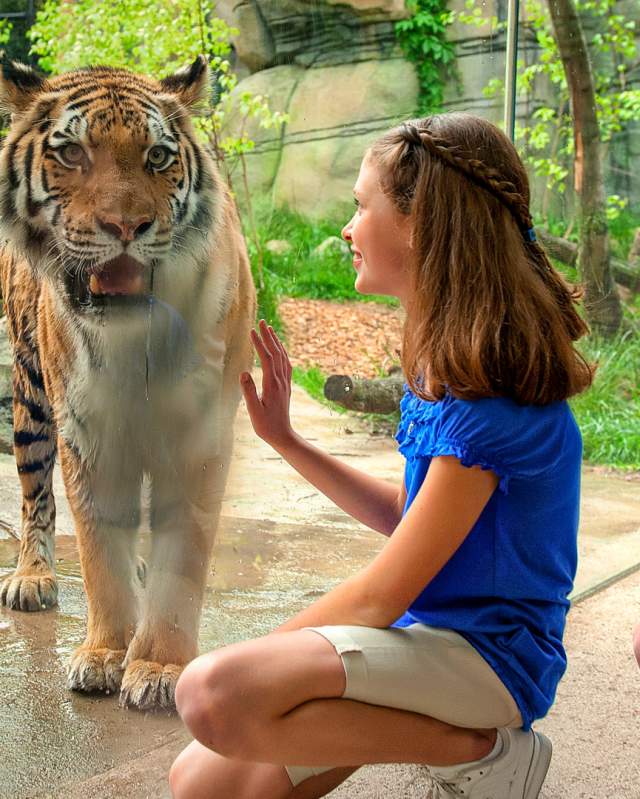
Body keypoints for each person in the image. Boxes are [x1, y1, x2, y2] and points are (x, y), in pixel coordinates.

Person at [168, 112, 594, 799]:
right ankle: (472, 749)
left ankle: (483, 753)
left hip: (490, 661)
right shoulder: (447, 368)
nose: (346, 228)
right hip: (436, 640)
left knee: (214, 692)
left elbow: (381, 593)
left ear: (421, 225)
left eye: (361, 206)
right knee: (199, 781)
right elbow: (409, 514)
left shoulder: (492, 403)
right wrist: (288, 440)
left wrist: (264, 655)